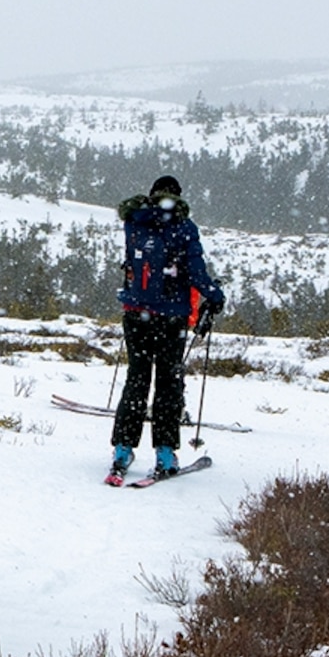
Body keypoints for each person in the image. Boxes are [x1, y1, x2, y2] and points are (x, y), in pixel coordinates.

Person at [110, 173, 222, 481]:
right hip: (172, 318)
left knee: (137, 378)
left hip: (136, 314)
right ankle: (164, 451)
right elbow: (197, 273)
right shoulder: (185, 228)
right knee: (169, 383)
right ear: (178, 196)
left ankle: (122, 448)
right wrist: (215, 295)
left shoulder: (134, 222)